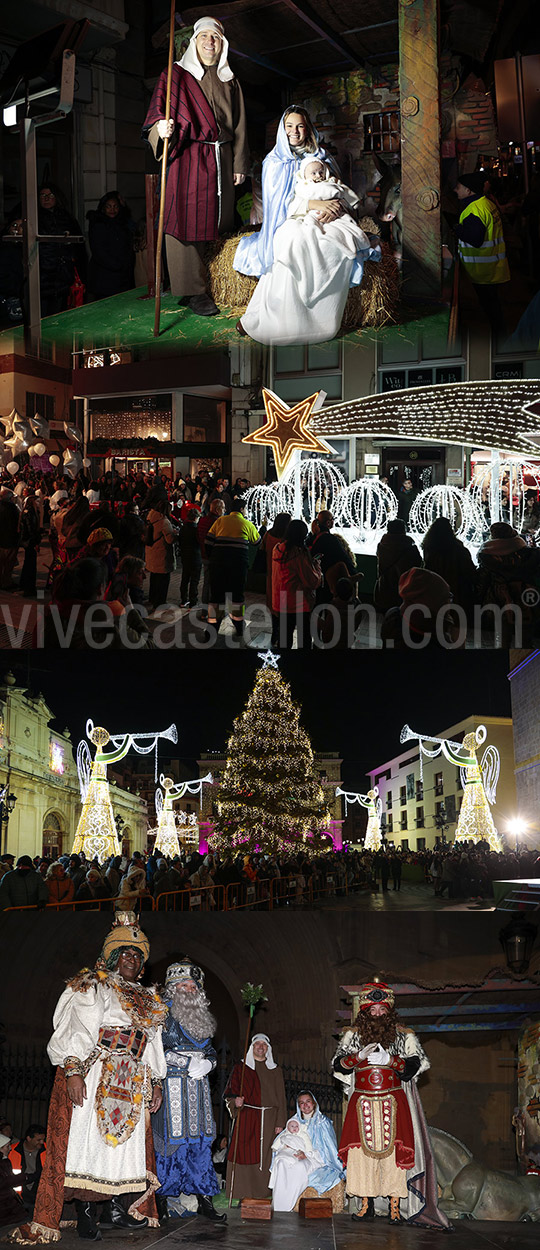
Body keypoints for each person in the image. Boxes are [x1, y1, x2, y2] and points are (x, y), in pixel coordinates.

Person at [10, 913, 167, 1244]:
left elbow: (152, 1044)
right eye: (125, 952)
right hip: (97, 1074)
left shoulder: (149, 1000)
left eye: (137, 955)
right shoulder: (94, 985)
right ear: (112, 957)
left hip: (133, 1080)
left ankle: (113, 1210)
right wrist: (74, 1071)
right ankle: (83, 1213)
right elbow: (77, 1029)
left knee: (123, 1150)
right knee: (87, 1145)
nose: (132, 958)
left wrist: (156, 1082)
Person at [143, 16, 249, 316]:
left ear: (222, 44)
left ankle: (217, 281)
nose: (210, 42)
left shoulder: (231, 80)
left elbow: (240, 125)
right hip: (187, 156)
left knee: (220, 222)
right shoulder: (174, 75)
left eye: (216, 37)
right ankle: (192, 290)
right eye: (204, 36)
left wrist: (239, 162)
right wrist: (159, 130)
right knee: (185, 219)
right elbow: (155, 118)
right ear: (194, 42)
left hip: (222, 157)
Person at [333, 979, 450, 1228]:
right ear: (364, 1012)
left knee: (395, 1154)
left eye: (382, 1010)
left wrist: (392, 1060)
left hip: (393, 1101)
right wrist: (357, 1057)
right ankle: (366, 1206)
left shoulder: (404, 1036)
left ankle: (395, 1207)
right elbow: (337, 1064)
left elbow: (415, 1065)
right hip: (361, 1101)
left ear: (389, 1011)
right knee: (360, 1155)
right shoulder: (352, 1036)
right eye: (372, 1010)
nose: (377, 1014)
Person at [237, 155, 377, 345]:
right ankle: (279, 312)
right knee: (290, 240)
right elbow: (290, 204)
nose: (318, 176)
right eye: (314, 173)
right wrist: (312, 205)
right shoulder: (297, 180)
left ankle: (318, 316)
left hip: (334, 220)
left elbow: (348, 199)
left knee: (332, 244)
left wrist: (336, 207)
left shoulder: (331, 182)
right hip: (305, 217)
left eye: (320, 172)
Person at [151, 960, 225, 1222]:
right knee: (171, 1147)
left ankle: (205, 1199)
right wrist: (186, 1062)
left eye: (193, 985)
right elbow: (156, 1048)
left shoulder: (202, 1018)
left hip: (199, 1090)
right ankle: (161, 1199)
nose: (189, 989)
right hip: (172, 1088)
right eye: (183, 985)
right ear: (172, 988)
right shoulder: (162, 1014)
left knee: (201, 1146)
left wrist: (208, 1063)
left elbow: (211, 1051)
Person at [234, 107, 339, 280]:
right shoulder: (275, 162)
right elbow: (277, 207)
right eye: (289, 126)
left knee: (341, 238)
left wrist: (336, 207)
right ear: (282, 129)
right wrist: (313, 205)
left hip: (323, 214)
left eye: (300, 126)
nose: (294, 131)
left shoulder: (320, 156)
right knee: (300, 240)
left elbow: (338, 187)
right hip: (290, 218)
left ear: (308, 128)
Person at [224, 1033, 287, 1200]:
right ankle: (242, 1194)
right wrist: (235, 1102)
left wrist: (280, 1122)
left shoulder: (276, 1070)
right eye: (257, 1044)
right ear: (252, 1048)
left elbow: (281, 1097)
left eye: (264, 1044)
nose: (261, 1047)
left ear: (268, 1048)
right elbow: (231, 1093)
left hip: (269, 1119)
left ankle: (263, 1194)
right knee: (243, 1153)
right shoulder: (241, 1068)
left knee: (265, 1157)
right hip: (247, 1116)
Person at [454, 171, 509, 336]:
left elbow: (475, 239)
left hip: (483, 271)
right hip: (494, 266)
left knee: (492, 308)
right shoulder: (487, 204)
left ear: (469, 191)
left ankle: (500, 342)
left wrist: (457, 229)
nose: (455, 190)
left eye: (459, 187)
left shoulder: (474, 210)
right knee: (493, 306)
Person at [206, 499, 260, 636]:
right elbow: (257, 541)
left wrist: (213, 558)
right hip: (238, 567)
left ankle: (211, 629)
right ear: (242, 509)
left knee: (216, 597)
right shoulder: (247, 524)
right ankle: (239, 627)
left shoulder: (220, 521)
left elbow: (208, 542)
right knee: (237, 597)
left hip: (218, 565)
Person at [271, 518, 322, 649]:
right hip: (298, 604)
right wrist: (316, 566)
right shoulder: (298, 555)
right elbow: (312, 581)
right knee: (304, 638)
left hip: (281, 601)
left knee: (284, 638)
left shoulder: (277, 549)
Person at [293, 1092, 345, 1209]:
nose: (305, 1105)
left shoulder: (323, 1122)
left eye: (308, 1101)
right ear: (298, 1106)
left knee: (316, 1177)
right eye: (302, 1103)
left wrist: (309, 1155)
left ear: (314, 1103)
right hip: (298, 1157)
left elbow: (329, 1148)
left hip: (319, 1160)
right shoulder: (294, 1122)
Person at [422, 516, 478, 621]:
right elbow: (469, 570)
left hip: (435, 588)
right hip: (456, 589)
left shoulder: (429, 548)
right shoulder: (459, 549)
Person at [87, 193, 134, 299]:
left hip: (122, 277)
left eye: (115, 206)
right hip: (104, 277)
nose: (112, 210)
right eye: (109, 206)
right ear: (103, 207)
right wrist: (117, 265)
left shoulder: (122, 223)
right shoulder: (97, 224)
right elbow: (98, 251)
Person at [269, 1118, 323, 1211]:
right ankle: (278, 1205)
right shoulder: (286, 1134)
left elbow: (309, 1146)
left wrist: (307, 1153)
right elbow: (278, 1145)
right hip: (286, 1155)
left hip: (303, 1155)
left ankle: (289, 1202)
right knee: (281, 1165)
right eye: (302, 1103)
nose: (294, 1128)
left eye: (296, 1126)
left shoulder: (318, 1124)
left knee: (299, 1167)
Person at [373, 518, 422, 614]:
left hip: (385, 585)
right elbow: (417, 563)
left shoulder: (382, 546)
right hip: (404, 586)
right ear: (403, 530)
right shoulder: (410, 547)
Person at [144, 500, 179, 613]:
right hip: (161, 554)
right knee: (163, 580)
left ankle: (152, 599)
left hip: (151, 552)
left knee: (154, 578)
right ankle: (160, 603)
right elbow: (170, 540)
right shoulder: (164, 522)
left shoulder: (150, 518)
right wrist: (175, 533)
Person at [8, 1129, 46, 1214]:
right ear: (29, 1138)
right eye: (39, 1140)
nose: (42, 1142)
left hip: (39, 1196)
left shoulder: (48, 1150)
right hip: (18, 1198)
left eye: (43, 1139)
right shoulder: (12, 1150)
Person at [0, 1132, 26, 1229]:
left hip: (8, 1203)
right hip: (4, 1206)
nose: (10, 1149)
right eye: (7, 1147)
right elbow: (3, 1182)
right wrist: (23, 1177)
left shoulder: (5, 1160)